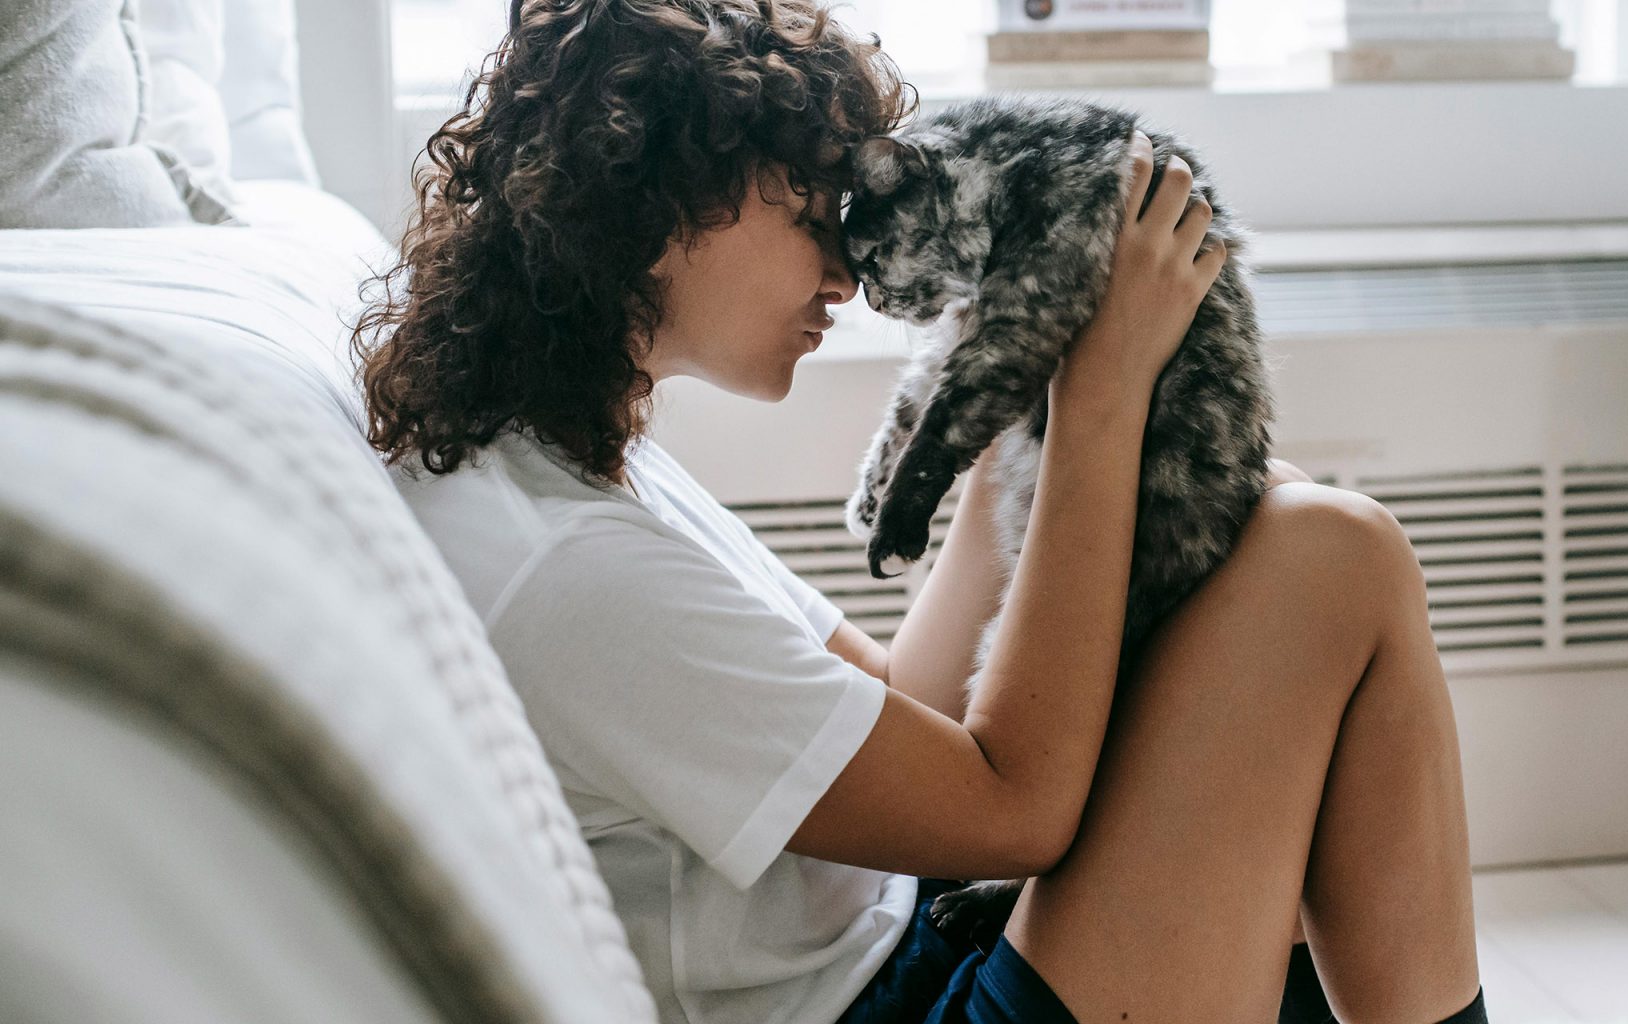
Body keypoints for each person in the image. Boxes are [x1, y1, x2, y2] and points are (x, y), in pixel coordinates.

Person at [354, 2, 1487, 1021]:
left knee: (1303, 531)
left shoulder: (581, 466)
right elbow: (1015, 811)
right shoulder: (573, 571)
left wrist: (1024, 370)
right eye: (807, 212)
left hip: (911, 928)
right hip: (899, 1003)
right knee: (1330, 557)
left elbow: (899, 700)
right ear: (658, 207)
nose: (844, 275)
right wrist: (1095, 399)